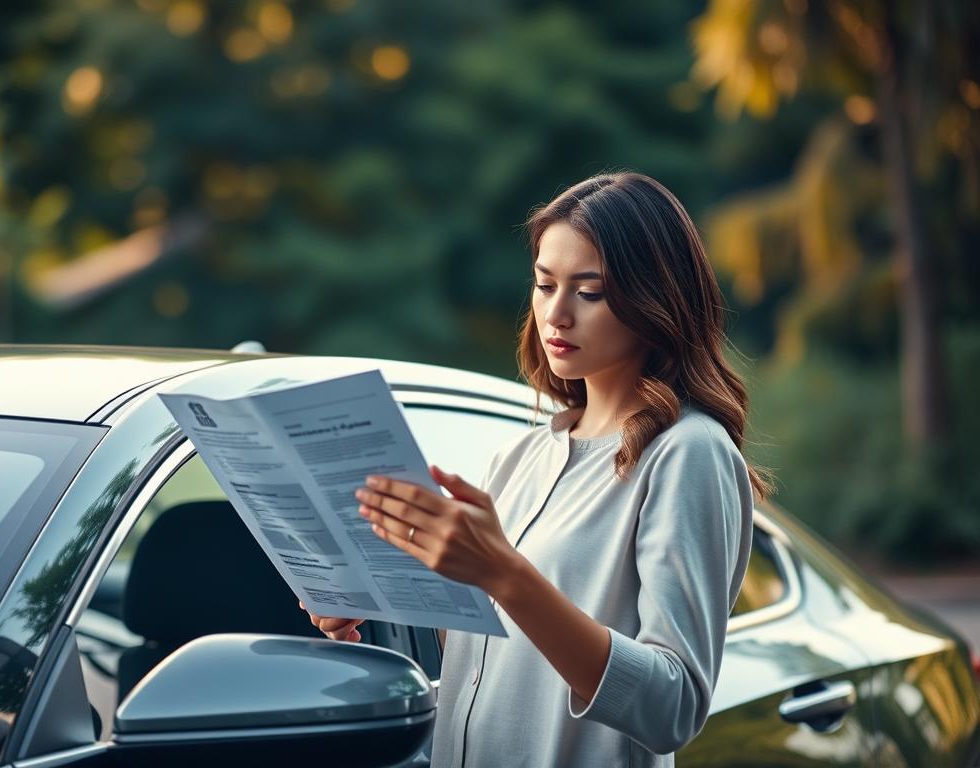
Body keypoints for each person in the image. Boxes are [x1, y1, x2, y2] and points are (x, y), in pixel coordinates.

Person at [302, 172, 766, 767]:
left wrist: (505, 574)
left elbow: (670, 706)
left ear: (656, 298)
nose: (557, 314)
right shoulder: (518, 458)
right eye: (544, 285)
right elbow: (488, 664)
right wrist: (383, 594)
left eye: (589, 292)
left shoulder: (688, 452)